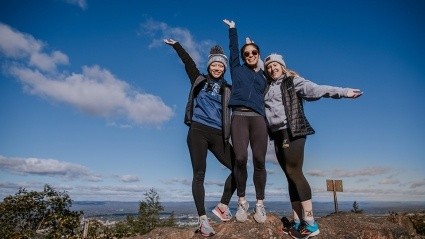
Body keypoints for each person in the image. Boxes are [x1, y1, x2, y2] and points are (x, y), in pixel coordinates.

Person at [263, 53, 363, 238]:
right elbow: (258, 70)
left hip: (292, 130)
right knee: (289, 175)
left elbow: (316, 89)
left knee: (294, 172)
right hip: (276, 134)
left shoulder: (292, 81)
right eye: (269, 66)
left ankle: (310, 224)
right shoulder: (267, 86)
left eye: (276, 65)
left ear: (283, 67)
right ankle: (296, 220)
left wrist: (343, 92)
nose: (272, 68)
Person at [164, 39, 237, 237]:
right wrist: (177, 45)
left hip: (219, 134)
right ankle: (203, 220)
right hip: (197, 130)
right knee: (199, 174)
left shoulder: (228, 89)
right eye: (214, 64)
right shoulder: (199, 79)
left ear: (224, 68)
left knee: (239, 167)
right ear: (209, 66)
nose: (217, 68)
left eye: (220, 65)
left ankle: (223, 205)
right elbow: (188, 62)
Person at [223, 19, 268, 224]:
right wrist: (233, 30)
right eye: (247, 53)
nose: (250, 55)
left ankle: (260, 204)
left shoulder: (264, 76)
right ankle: (242, 202)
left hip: (258, 118)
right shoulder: (236, 68)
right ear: (243, 56)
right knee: (240, 158)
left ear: (258, 56)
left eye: (254, 53)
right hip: (239, 117)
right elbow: (233, 49)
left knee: (259, 160)